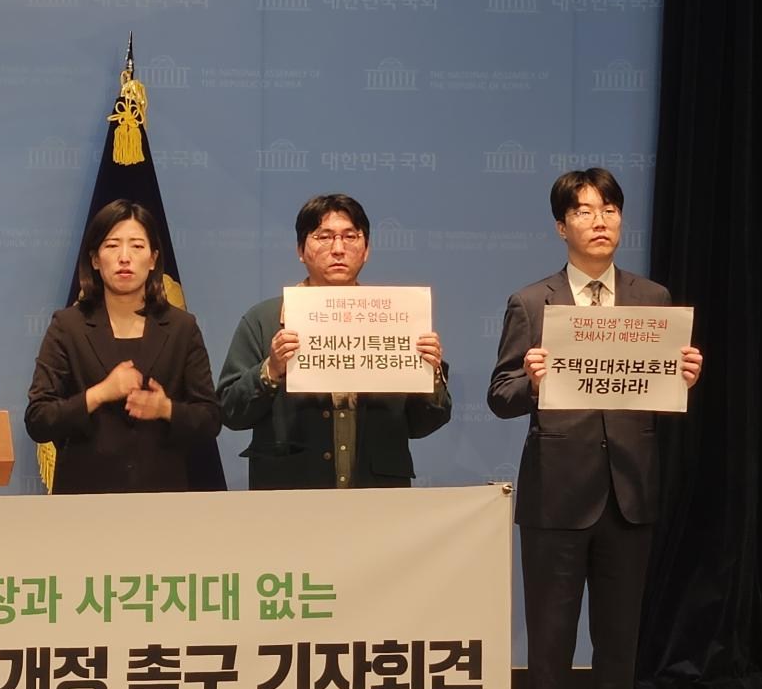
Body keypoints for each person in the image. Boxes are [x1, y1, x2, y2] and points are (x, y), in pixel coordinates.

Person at [488, 168, 703, 689]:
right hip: (556, 494)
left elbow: (654, 392)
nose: (600, 219)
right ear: (562, 226)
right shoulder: (533, 302)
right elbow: (500, 396)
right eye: (584, 210)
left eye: (610, 207)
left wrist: (683, 376)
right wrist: (532, 381)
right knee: (551, 641)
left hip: (630, 489)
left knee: (618, 643)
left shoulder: (653, 298)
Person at [217, 193, 450, 488]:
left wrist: (430, 373)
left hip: (378, 495)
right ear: (301, 250)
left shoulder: (396, 318)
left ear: (366, 250)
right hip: (291, 493)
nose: (338, 249)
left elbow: (424, 423)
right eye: (324, 237)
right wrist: (271, 370)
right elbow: (230, 412)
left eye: (350, 237)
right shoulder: (264, 319)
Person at [25, 201, 220, 492]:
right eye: (112, 245)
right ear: (95, 259)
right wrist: (101, 393)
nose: (125, 258)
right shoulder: (68, 327)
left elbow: (210, 419)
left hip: (163, 496)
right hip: (84, 498)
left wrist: (165, 408)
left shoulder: (182, 327)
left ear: (153, 259)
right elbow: (38, 419)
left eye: (137, 246)